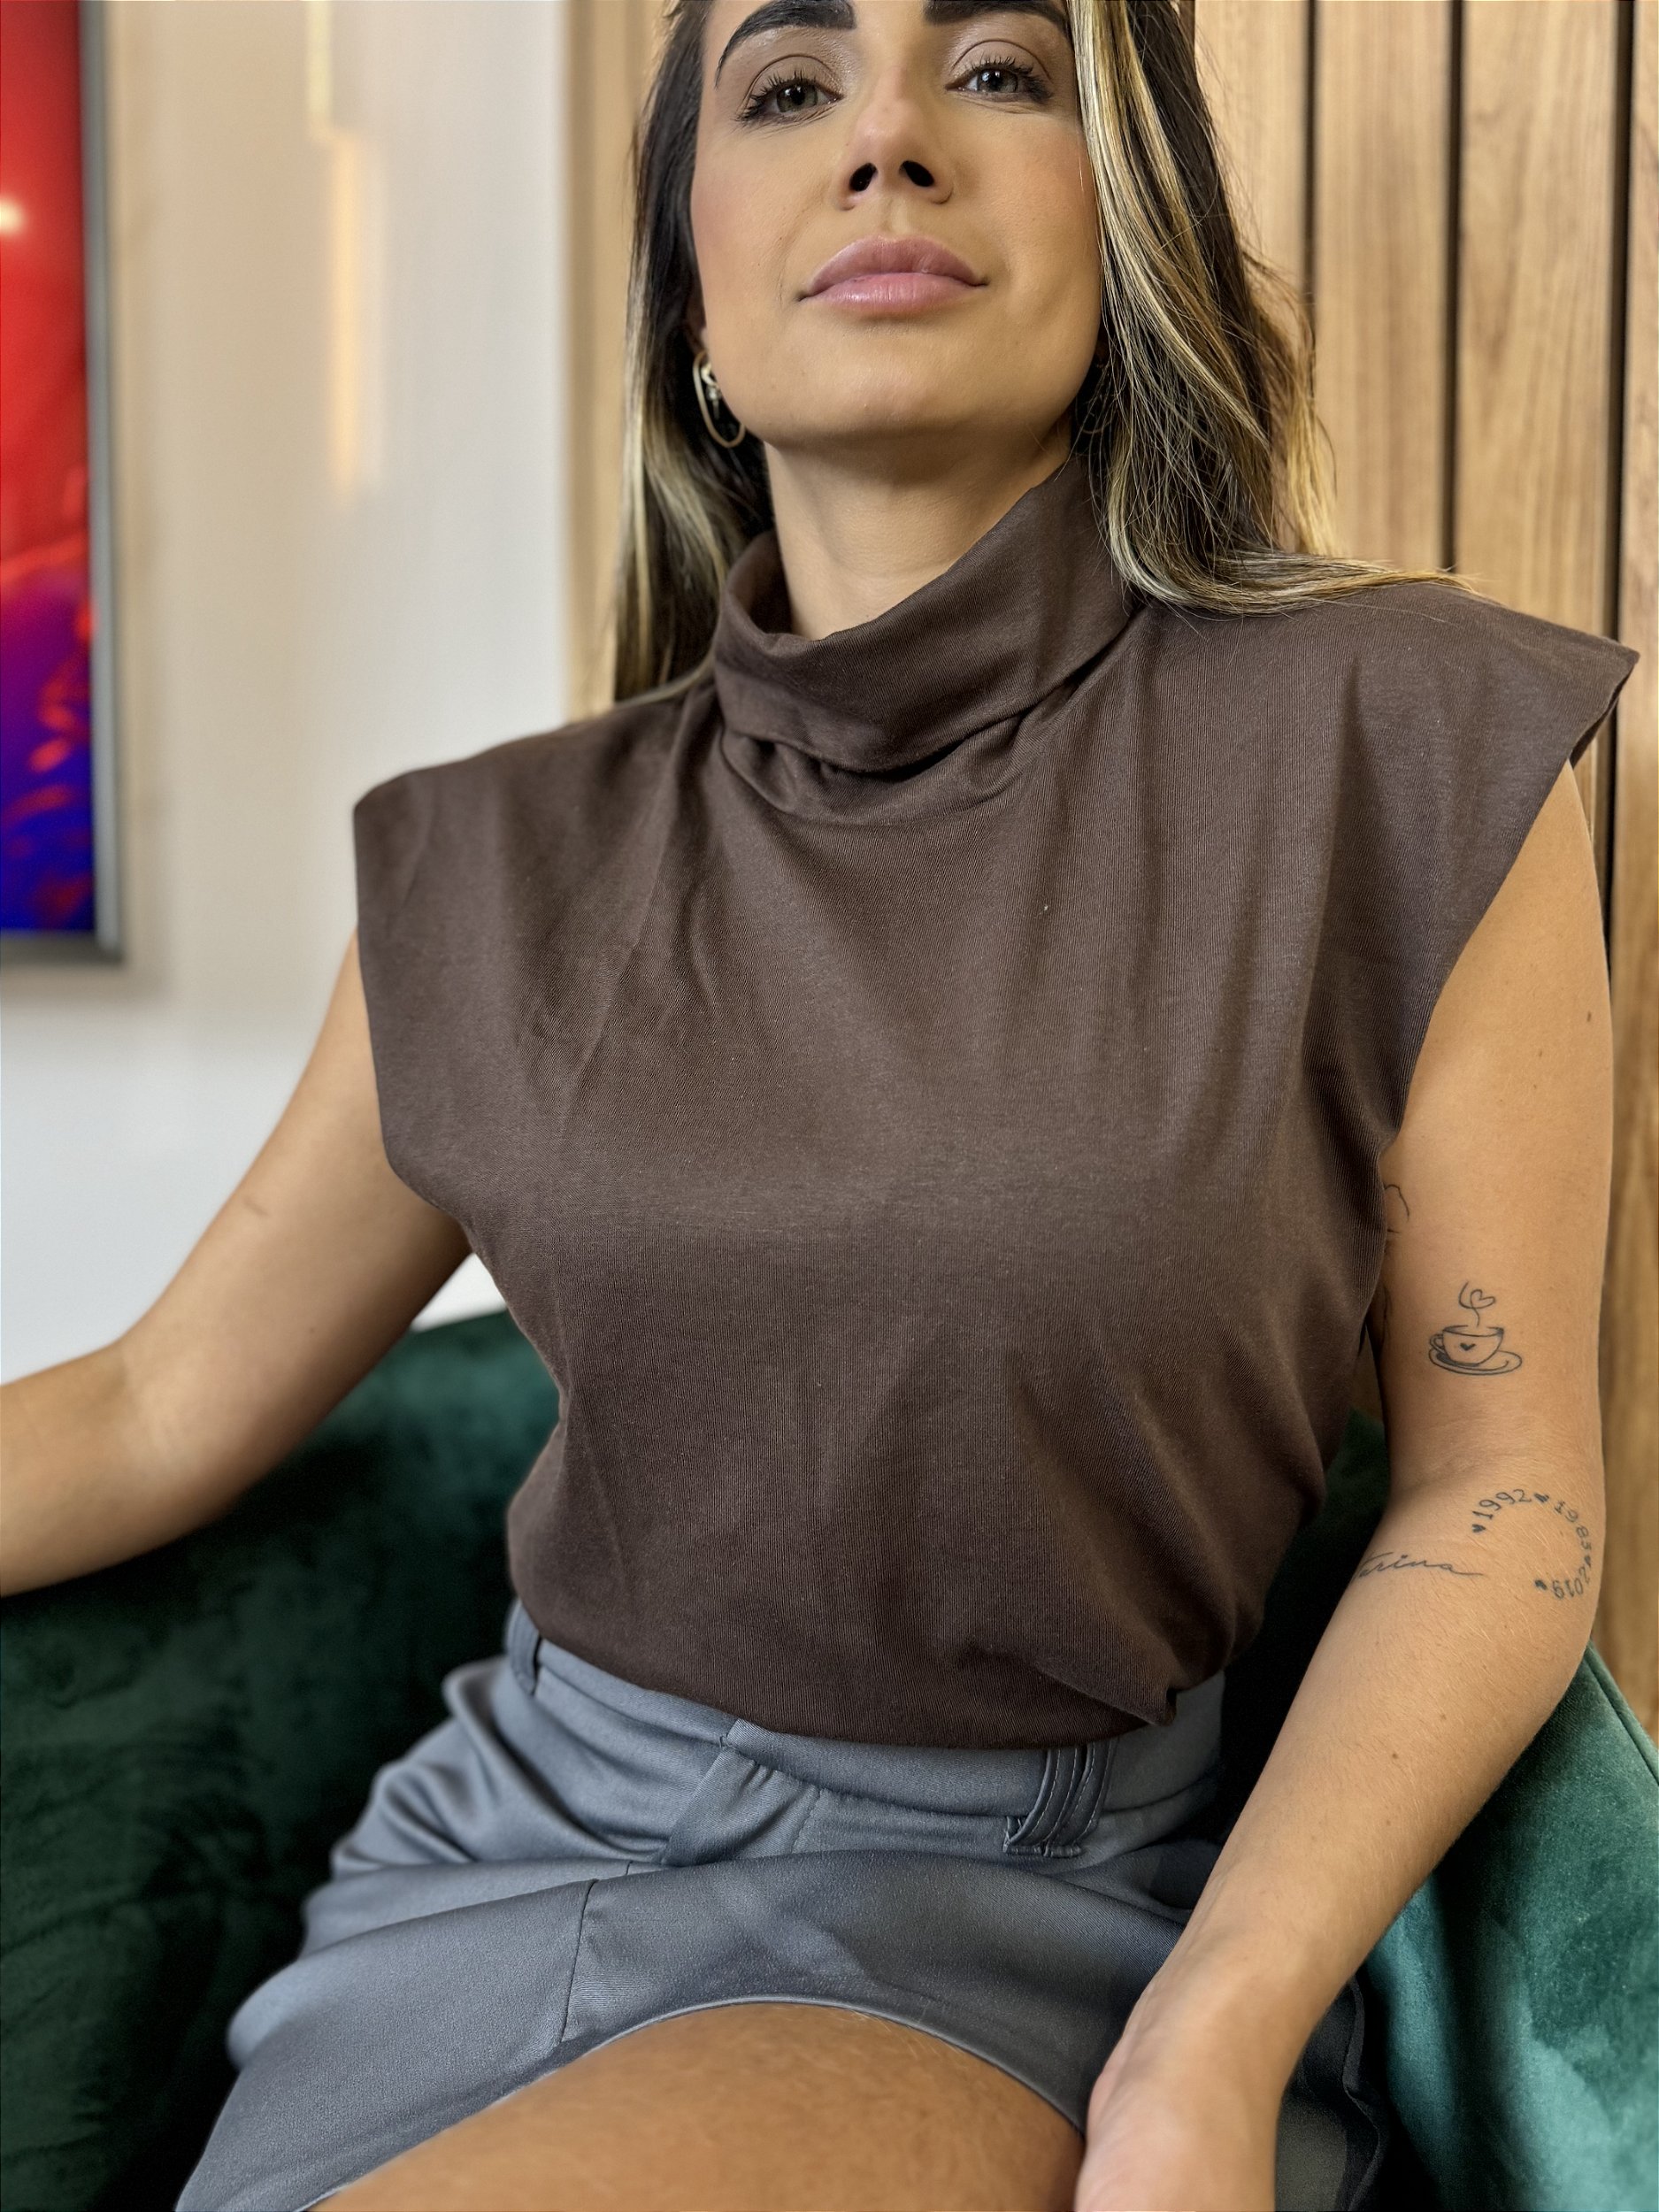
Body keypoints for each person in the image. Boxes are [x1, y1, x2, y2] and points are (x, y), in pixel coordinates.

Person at [1, 1, 1639, 2208]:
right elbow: (150, 1406)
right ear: (692, 300)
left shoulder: (1405, 744)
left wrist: (1215, 2030)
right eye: (786, 89)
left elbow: (1496, 1486)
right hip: (493, 1868)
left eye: (997, 70)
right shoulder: (493, 860)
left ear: (1124, 221)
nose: (884, 134)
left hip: (1027, 1915)